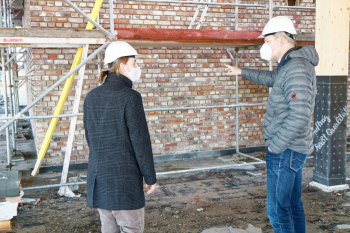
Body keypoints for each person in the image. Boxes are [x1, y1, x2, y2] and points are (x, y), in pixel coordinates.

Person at [225, 16, 319, 233]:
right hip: (291, 148)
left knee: (278, 211)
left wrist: (275, 146)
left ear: (280, 41)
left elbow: (300, 114)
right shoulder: (291, 65)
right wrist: (241, 72)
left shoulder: (296, 67)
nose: (264, 47)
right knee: (292, 206)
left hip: (286, 149)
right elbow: (273, 79)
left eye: (267, 42)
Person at [83, 41, 157, 233]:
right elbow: (140, 142)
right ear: (122, 66)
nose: (138, 68)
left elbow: (90, 138)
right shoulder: (130, 97)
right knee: (131, 228)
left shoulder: (92, 96)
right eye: (135, 63)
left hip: (99, 181)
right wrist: (150, 177)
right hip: (124, 184)